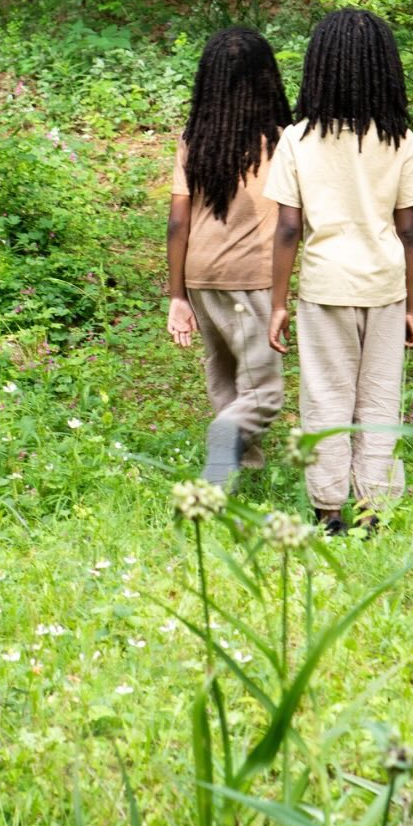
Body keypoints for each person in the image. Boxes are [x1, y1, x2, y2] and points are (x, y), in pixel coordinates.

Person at [265, 7, 413, 533]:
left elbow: (288, 229)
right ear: (386, 67)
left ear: (319, 66)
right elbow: (409, 231)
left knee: (326, 397)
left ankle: (328, 510)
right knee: (380, 399)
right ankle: (372, 509)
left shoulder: (296, 139)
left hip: (325, 286)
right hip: (385, 287)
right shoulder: (400, 139)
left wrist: (276, 304)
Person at [167, 26, 292, 486]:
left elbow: (177, 221)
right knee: (264, 391)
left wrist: (177, 294)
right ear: (267, 78)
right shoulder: (281, 142)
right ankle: (227, 444)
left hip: (200, 273)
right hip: (251, 276)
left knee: (224, 373)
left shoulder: (195, 137)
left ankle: (243, 470)